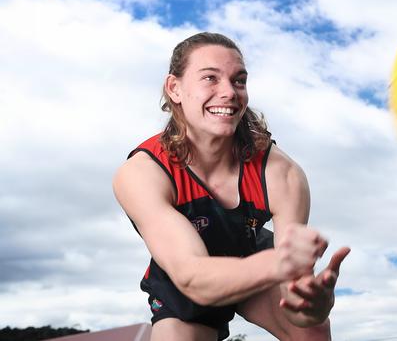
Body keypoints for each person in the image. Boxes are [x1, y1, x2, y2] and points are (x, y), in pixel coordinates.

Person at [113, 32, 350, 341]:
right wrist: (279, 262)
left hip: (249, 250)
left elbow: (295, 302)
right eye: (210, 78)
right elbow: (192, 276)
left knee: (313, 330)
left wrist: (312, 307)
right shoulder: (142, 173)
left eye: (238, 81)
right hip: (188, 277)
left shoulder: (281, 173)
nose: (229, 92)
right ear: (175, 88)